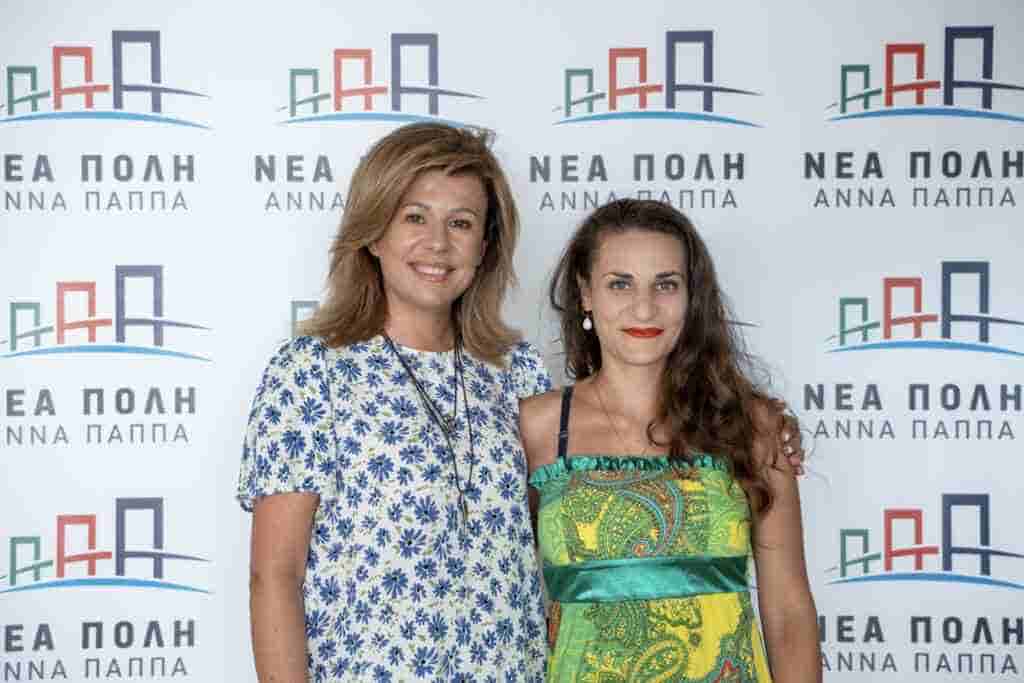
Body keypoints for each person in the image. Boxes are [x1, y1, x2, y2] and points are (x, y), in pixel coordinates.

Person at [236, 123, 553, 681]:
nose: (438, 243)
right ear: (374, 233)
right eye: (414, 217)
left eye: (461, 223)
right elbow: (275, 577)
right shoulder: (311, 374)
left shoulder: (518, 372)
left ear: (484, 247)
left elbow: (543, 545)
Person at [520, 199, 820, 682]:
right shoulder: (535, 427)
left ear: (691, 296)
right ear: (586, 294)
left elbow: (789, 614)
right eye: (620, 283)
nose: (644, 307)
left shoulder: (754, 426)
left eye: (665, 284)